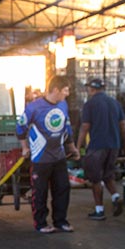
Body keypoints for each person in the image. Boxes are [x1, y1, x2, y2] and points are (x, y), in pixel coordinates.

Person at [18, 75, 80, 233]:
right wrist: (24, 147)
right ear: (56, 90)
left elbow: (67, 128)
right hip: (40, 158)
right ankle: (40, 223)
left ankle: (60, 221)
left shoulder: (63, 105)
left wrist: (72, 148)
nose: (67, 94)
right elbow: (21, 127)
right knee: (40, 192)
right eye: (65, 90)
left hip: (58, 156)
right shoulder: (34, 107)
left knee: (62, 188)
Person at [77, 78, 125, 220]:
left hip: (97, 146)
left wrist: (77, 147)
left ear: (91, 89)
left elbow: (85, 127)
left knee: (96, 179)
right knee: (108, 175)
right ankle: (116, 196)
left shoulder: (89, 104)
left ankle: (99, 211)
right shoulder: (115, 103)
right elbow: (123, 125)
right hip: (114, 146)